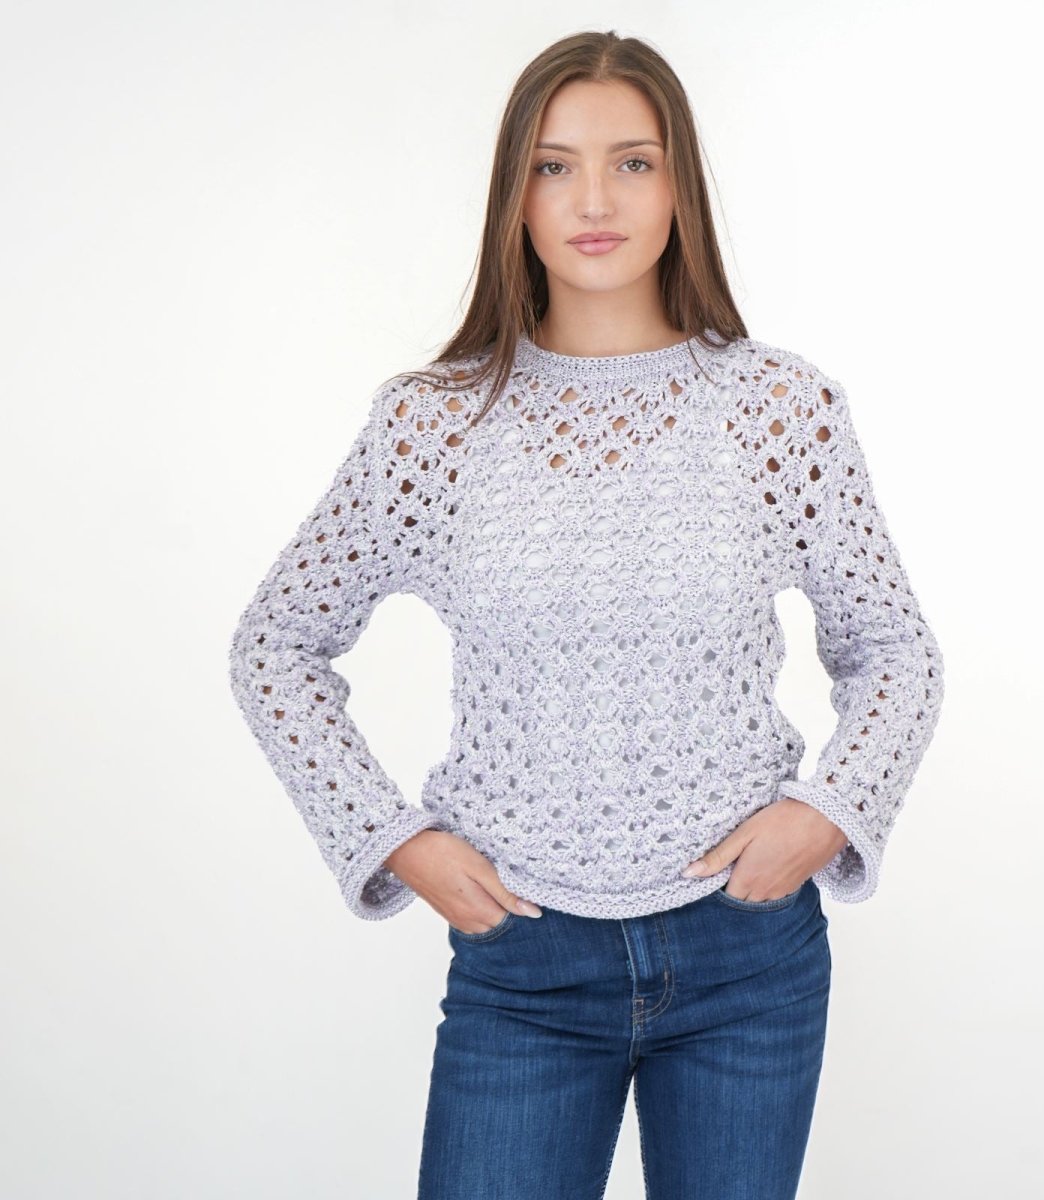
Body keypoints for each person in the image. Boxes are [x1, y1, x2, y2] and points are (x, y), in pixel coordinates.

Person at [228, 29, 945, 1200]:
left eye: (633, 163)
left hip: (749, 956)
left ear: (680, 186)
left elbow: (892, 649)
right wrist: (395, 841)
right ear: (514, 195)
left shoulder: (781, 409)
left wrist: (830, 812)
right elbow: (276, 644)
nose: (595, 201)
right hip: (524, 962)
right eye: (554, 167)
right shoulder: (432, 426)